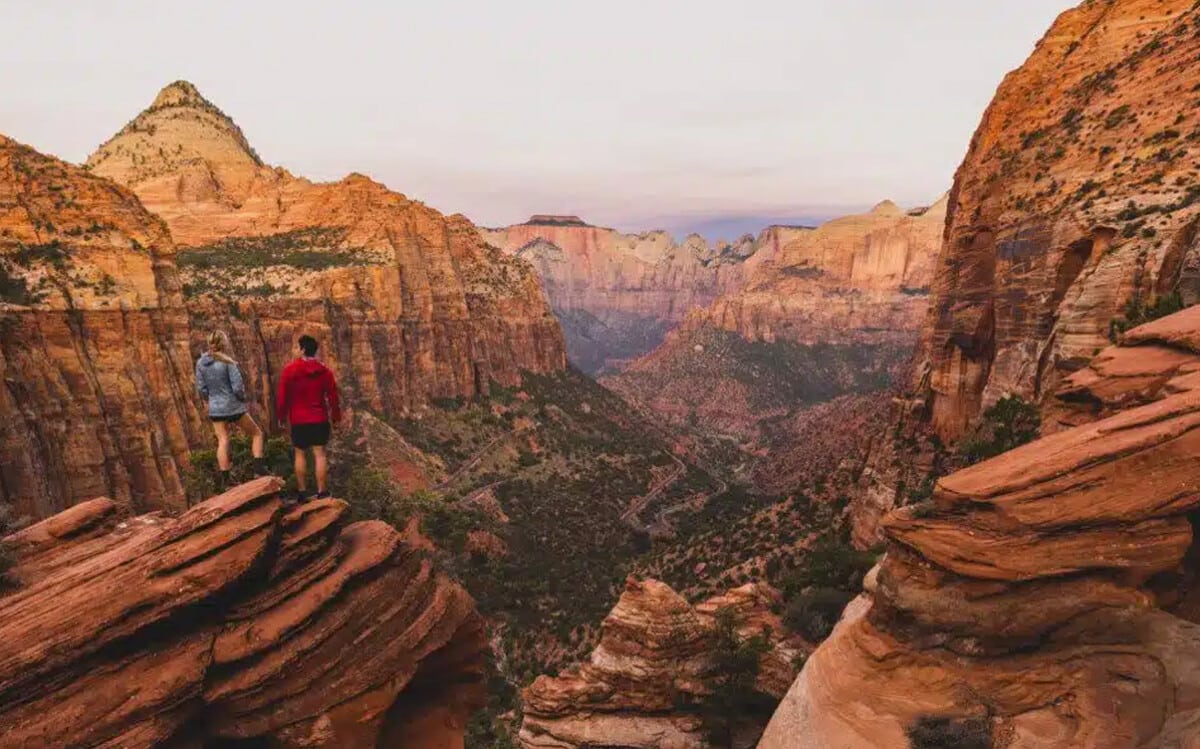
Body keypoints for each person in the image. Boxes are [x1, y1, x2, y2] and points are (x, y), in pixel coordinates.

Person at [195, 330, 266, 491]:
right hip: (233, 406)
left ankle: (226, 481)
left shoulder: (200, 363)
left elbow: (201, 388)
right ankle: (259, 470)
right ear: (224, 343)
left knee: (223, 440)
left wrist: (211, 399)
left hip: (215, 408)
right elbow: (237, 388)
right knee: (257, 434)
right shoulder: (229, 362)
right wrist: (241, 399)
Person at [277, 334, 341, 501]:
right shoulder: (325, 372)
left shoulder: (289, 371)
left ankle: (302, 492)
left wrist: (281, 417)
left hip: (299, 420)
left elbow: (283, 397)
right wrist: (336, 417)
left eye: (296, 347)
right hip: (319, 418)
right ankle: (322, 492)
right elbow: (333, 397)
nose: (294, 350)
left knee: (300, 454)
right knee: (320, 454)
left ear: (303, 349)